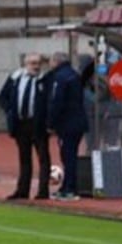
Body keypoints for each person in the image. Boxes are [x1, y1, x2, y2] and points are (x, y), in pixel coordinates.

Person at [0, 52, 52, 201]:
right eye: (32, 63)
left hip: (38, 124)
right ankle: (22, 190)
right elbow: (4, 96)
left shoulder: (44, 80)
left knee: (43, 158)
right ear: (25, 64)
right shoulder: (16, 78)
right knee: (24, 159)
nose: (36, 66)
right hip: (21, 124)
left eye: (38, 63)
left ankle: (43, 191)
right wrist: (10, 110)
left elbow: (49, 101)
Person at [47, 51, 88, 201]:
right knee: (69, 155)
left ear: (56, 61)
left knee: (68, 156)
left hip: (67, 124)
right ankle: (67, 186)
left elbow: (57, 102)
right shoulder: (74, 75)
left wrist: (51, 123)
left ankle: (70, 188)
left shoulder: (60, 77)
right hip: (77, 121)